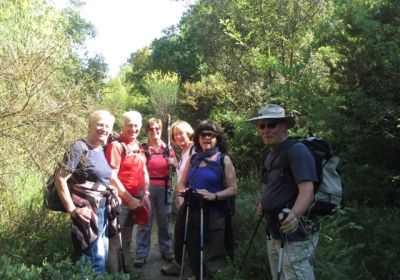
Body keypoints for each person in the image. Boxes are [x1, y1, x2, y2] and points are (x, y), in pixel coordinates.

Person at [248, 104, 319, 280]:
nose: (265, 130)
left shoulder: (297, 151)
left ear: (285, 126)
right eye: (261, 126)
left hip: (296, 230)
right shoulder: (271, 153)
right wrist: (263, 204)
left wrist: (294, 215)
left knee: (295, 273)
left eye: (271, 125)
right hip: (274, 227)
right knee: (279, 275)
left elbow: (307, 189)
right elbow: (274, 186)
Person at [54, 110, 119, 274]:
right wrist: (72, 210)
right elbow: (60, 179)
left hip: (103, 212)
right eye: (100, 124)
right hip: (88, 214)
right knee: (93, 262)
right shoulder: (79, 147)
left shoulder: (100, 149)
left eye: (107, 126)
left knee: (100, 259)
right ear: (90, 126)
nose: (104, 129)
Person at [177, 120, 237, 279]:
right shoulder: (194, 158)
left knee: (213, 254)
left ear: (217, 138)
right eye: (203, 135)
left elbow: (233, 189)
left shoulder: (224, 160)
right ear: (198, 138)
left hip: (215, 213)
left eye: (211, 135)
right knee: (194, 249)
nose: (206, 138)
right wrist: (183, 190)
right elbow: (182, 181)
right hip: (193, 210)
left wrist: (214, 195)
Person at [105, 111, 150, 273]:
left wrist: (146, 193)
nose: (133, 128)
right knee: (115, 242)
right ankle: (114, 275)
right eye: (129, 125)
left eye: (136, 125)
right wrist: (129, 199)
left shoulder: (138, 146)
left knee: (128, 239)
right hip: (120, 202)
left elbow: (143, 170)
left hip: (135, 200)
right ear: (122, 126)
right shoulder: (116, 146)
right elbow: (111, 177)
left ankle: (126, 272)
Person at [135, 117, 176, 267]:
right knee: (145, 222)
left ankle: (167, 250)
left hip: (165, 188)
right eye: (151, 129)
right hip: (146, 189)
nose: (155, 131)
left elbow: (178, 167)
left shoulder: (168, 148)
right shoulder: (143, 148)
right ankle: (141, 254)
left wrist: (174, 162)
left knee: (164, 221)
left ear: (161, 130)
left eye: (157, 128)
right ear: (147, 131)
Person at [161, 120, 196, 276]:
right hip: (183, 198)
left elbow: (191, 176)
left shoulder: (194, 150)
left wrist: (179, 194)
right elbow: (182, 172)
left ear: (189, 133)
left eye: (181, 133)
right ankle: (180, 264)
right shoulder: (184, 151)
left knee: (188, 234)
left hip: (191, 199)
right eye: (176, 134)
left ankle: (187, 268)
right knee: (181, 232)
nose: (179, 137)